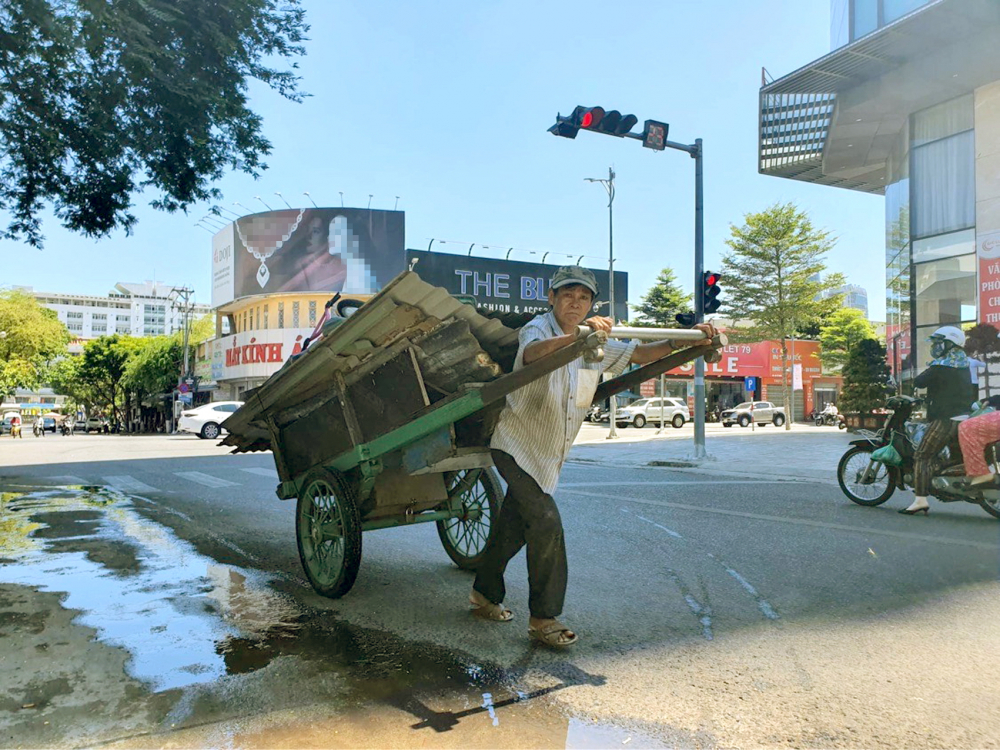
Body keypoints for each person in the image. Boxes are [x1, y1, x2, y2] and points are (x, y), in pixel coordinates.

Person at [468, 265, 717, 646]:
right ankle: (543, 618)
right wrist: (577, 339)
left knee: (513, 526)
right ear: (551, 298)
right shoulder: (539, 328)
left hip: (549, 453)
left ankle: (483, 594)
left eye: (583, 297)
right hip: (515, 445)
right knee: (546, 521)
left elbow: (641, 353)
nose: (575, 302)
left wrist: (683, 341)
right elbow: (532, 354)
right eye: (567, 295)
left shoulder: (597, 343)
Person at [900, 326, 972, 515]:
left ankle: (921, 499)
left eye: (939, 343)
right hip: (964, 417)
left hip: (946, 419)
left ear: (950, 344)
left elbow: (919, 382)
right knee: (951, 456)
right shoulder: (964, 363)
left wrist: (930, 366)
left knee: (922, 456)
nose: (936, 347)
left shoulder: (942, 365)